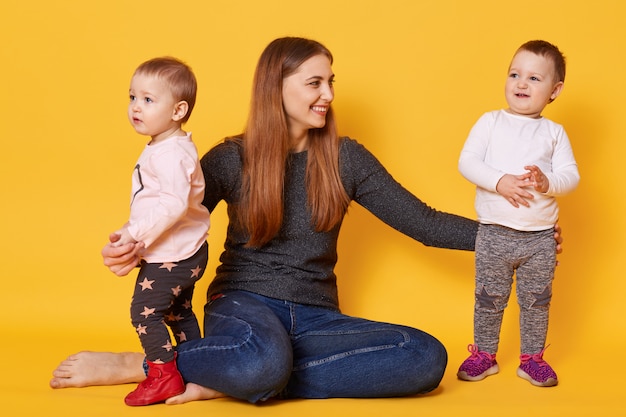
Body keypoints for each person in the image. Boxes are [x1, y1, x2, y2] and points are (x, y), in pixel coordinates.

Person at [50, 37, 563, 405]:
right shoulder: (231, 158)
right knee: (262, 359)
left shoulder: (346, 159)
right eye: (315, 82)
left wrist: (520, 237)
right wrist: (135, 247)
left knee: (424, 357)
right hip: (243, 305)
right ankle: (144, 365)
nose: (328, 95)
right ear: (278, 87)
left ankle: (233, 375)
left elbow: (424, 223)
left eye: (330, 82)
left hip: (317, 316)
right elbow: (177, 219)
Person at [456, 40, 579, 387]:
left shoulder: (554, 133)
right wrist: (499, 182)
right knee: (488, 299)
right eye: (515, 74)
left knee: (536, 302)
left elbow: (571, 177)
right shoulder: (490, 122)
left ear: (555, 91)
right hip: (495, 233)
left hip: (539, 239)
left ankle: (532, 358)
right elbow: (467, 162)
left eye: (534, 78)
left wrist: (546, 181)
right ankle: (484, 353)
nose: (521, 83)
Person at [114, 57, 211, 405]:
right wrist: (131, 232)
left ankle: (163, 373)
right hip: (184, 249)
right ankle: (199, 366)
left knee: (144, 312)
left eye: (148, 100)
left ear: (178, 110)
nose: (135, 107)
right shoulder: (165, 145)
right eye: (132, 97)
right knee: (178, 311)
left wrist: (135, 234)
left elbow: (172, 204)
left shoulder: (170, 154)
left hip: (174, 256)